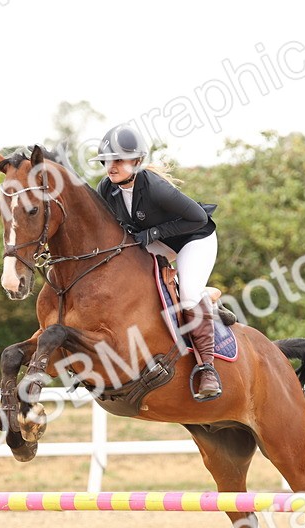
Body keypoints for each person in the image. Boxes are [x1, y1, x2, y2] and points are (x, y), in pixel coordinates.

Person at [91, 124, 222, 400]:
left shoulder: (155, 188)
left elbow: (197, 218)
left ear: (137, 161)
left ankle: (207, 368)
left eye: (118, 160)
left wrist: (155, 233)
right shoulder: (107, 189)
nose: (110, 166)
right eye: (107, 160)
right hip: (158, 241)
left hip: (194, 240)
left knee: (187, 293)